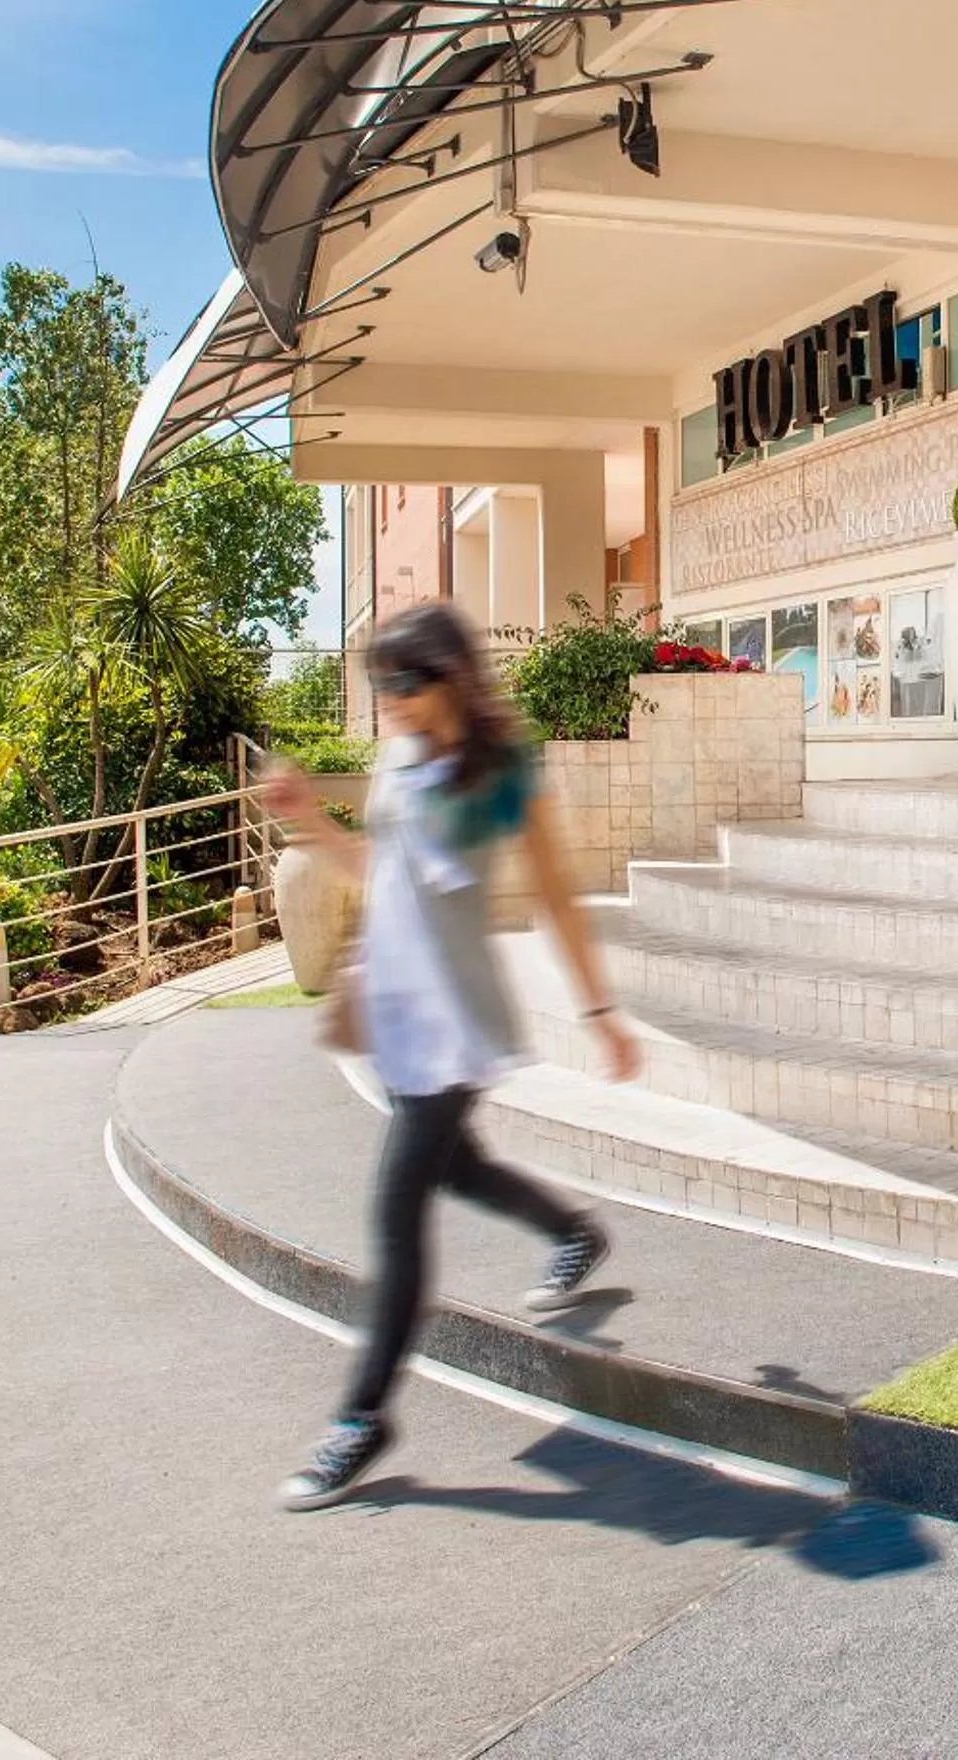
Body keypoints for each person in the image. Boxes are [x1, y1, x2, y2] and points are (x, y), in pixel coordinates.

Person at [258, 601, 639, 1512]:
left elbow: (557, 899)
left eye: (401, 684)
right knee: (459, 1172)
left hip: (452, 1027)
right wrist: (309, 818)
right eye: (378, 685)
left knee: (396, 1213)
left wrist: (600, 1014)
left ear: (448, 678)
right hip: (393, 1013)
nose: (386, 703)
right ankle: (574, 1233)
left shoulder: (504, 774)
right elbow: (377, 874)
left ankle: (361, 1416)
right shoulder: (400, 758)